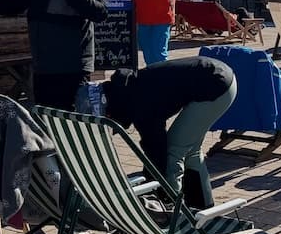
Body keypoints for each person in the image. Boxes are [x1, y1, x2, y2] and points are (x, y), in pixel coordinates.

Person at [101, 56, 237, 208]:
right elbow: (153, 146)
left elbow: (157, 149)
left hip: (214, 85)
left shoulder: (139, 105)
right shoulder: (129, 89)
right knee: (190, 150)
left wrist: (155, 185)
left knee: (174, 151)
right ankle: (202, 207)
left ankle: (170, 209)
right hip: (219, 75)